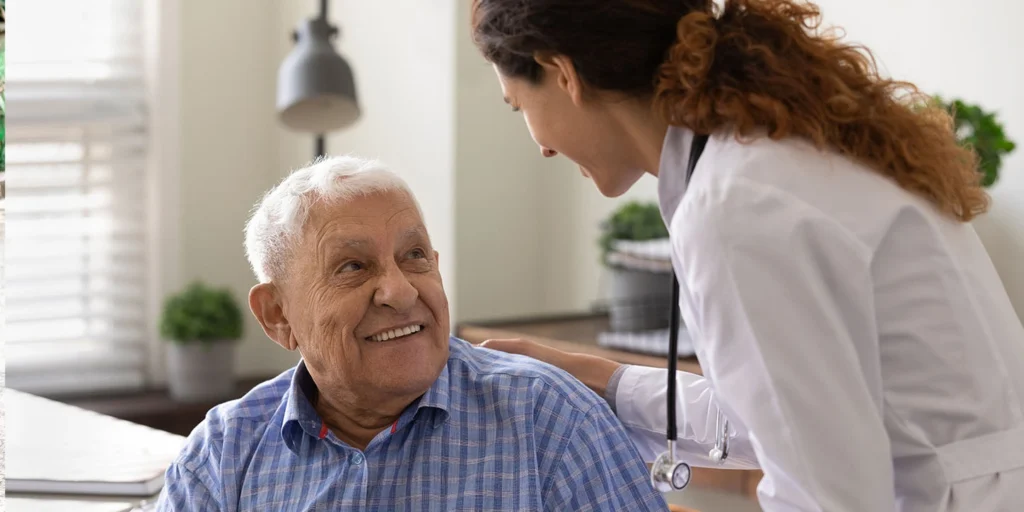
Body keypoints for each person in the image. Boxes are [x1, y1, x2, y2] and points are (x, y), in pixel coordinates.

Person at [470, 0, 1024, 510]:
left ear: (563, 73)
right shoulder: (770, 157)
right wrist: (603, 381)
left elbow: (824, 497)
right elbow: (779, 418)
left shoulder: (736, 207)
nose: (540, 145)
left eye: (518, 104)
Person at [156, 156, 669, 511]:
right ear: (277, 316)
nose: (400, 292)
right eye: (353, 267)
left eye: (414, 256)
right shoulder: (221, 456)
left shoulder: (550, 422)